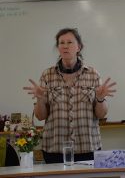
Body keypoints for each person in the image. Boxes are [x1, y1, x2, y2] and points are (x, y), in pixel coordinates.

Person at [23, 28, 116, 164]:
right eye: (61, 43)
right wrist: (40, 99)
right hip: (54, 149)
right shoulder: (47, 75)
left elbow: (101, 115)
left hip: (87, 148)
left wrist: (100, 98)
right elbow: (40, 116)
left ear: (79, 47)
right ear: (58, 47)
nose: (65, 46)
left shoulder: (92, 74)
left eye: (70, 42)